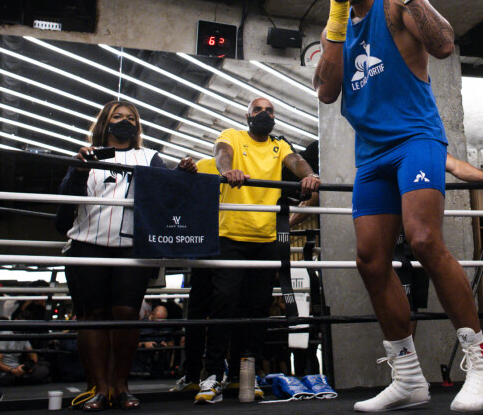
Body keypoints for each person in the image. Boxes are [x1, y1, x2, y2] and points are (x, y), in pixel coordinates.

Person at [313, 0, 483, 413]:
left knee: (425, 239)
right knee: (369, 259)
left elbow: (445, 44)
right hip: (372, 153)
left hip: (415, 139)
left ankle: (481, 360)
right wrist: (335, 20)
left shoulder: (393, 4)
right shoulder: (340, 22)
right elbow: (327, 92)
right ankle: (408, 378)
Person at [55, 100, 196, 411]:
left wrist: (185, 171)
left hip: (132, 245)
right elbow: (63, 208)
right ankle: (97, 388)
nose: (124, 121)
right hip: (87, 242)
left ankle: (121, 387)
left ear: (138, 125)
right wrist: (79, 171)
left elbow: (169, 190)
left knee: (127, 316)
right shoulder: (86, 154)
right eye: (117, 116)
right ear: (105, 122)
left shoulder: (149, 157)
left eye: (130, 117)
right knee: (92, 317)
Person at [193, 97, 321, 404]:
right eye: (257, 110)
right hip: (231, 237)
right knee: (223, 302)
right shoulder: (232, 136)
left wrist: (310, 175)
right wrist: (228, 171)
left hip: (265, 240)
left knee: (256, 308)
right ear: (247, 115)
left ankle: (242, 374)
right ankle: (211, 375)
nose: (264, 114)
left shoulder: (279, 146)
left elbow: (297, 162)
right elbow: (222, 154)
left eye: (270, 111)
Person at [396, 153, 483, 337]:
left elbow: (457, 166)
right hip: (391, 231)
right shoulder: (384, 142)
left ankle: (408, 361)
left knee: (413, 306)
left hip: (416, 233)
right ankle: (403, 359)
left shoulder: (424, 143)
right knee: (397, 303)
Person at [170, 157, 220, 393]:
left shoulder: (253, 162)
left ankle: (220, 373)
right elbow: (179, 192)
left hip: (235, 243)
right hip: (206, 245)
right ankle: (191, 374)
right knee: (198, 311)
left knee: (231, 311)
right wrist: (183, 169)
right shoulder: (203, 165)